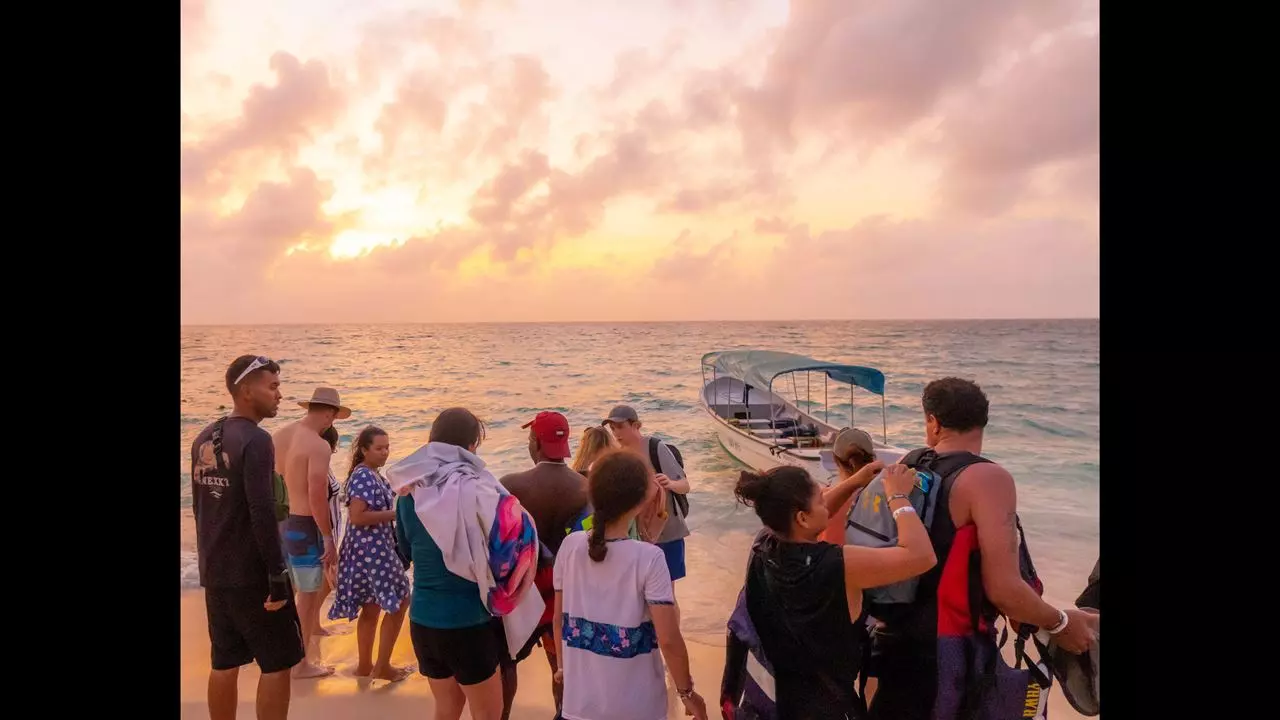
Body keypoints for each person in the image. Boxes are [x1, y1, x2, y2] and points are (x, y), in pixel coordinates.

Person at [868, 378, 1099, 720]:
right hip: (948, 656)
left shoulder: (909, 466)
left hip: (890, 640)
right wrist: (1060, 624)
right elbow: (1004, 589)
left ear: (933, 422)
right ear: (983, 421)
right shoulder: (987, 479)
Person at [729, 463, 933, 718]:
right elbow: (921, 556)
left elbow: (807, 518)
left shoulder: (763, 547)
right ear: (802, 517)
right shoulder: (839, 565)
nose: (826, 499)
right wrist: (898, 497)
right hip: (828, 709)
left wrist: (854, 482)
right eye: (820, 499)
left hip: (779, 703)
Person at [390, 408, 539, 720]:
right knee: (488, 714)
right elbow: (511, 547)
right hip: (468, 622)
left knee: (446, 709)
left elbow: (405, 550)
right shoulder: (481, 491)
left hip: (423, 620)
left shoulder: (408, 493)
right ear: (471, 446)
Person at [553, 451, 709, 720]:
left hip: (579, 705)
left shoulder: (570, 546)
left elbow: (559, 620)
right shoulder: (650, 558)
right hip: (638, 707)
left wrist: (562, 669)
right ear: (641, 501)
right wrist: (687, 693)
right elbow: (669, 639)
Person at [191, 355, 303, 720]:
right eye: (272, 387)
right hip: (253, 576)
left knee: (224, 661)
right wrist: (277, 574)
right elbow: (262, 510)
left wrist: (207, 561)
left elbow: (200, 508)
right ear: (246, 391)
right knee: (277, 663)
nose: (279, 394)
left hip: (215, 572)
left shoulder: (204, 436)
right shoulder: (256, 439)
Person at [498, 412, 591, 715]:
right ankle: (563, 713)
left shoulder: (510, 484)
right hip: (564, 591)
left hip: (521, 590)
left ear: (536, 443)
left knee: (507, 662)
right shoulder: (585, 487)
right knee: (560, 665)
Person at [272, 386, 351, 679]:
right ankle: (300, 664)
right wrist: (328, 537)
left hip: (280, 521)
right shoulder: (318, 445)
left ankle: (277, 652)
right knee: (307, 596)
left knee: (285, 592)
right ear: (330, 414)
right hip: (304, 526)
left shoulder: (280, 436)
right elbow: (316, 494)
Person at [328, 426, 412, 682]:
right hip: (371, 550)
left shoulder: (369, 473)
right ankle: (382, 666)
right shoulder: (364, 475)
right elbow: (357, 516)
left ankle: (366, 666)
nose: (385, 452)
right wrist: (397, 514)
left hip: (368, 548)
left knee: (372, 605)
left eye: (387, 447)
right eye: (379, 448)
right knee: (400, 600)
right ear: (364, 450)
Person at [602, 405, 690, 605]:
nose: (616, 433)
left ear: (636, 425)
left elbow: (685, 485)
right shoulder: (618, 456)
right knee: (640, 597)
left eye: (620, 427)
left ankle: (670, 627)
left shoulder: (655, 448)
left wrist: (670, 483)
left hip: (668, 532)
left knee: (666, 596)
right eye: (612, 428)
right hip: (635, 536)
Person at [819, 427, 883, 543]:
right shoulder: (886, 496)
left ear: (835, 460)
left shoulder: (821, 498)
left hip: (832, 554)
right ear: (872, 459)